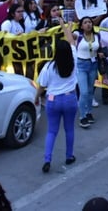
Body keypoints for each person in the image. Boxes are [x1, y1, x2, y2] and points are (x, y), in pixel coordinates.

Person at [34, 19, 77, 173]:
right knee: (69, 129)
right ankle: (69, 155)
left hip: (52, 100)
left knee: (52, 131)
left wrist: (36, 98)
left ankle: (47, 159)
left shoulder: (48, 67)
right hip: (70, 98)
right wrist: (68, 28)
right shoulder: (74, 60)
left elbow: (41, 86)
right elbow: (71, 41)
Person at [75, 16, 106, 128]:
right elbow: (67, 37)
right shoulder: (77, 36)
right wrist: (65, 26)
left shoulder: (97, 36)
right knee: (83, 92)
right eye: (85, 22)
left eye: (90, 22)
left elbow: (99, 48)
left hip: (93, 65)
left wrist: (100, 54)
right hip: (81, 65)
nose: (88, 24)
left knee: (90, 91)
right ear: (81, 26)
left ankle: (88, 112)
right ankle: (82, 117)